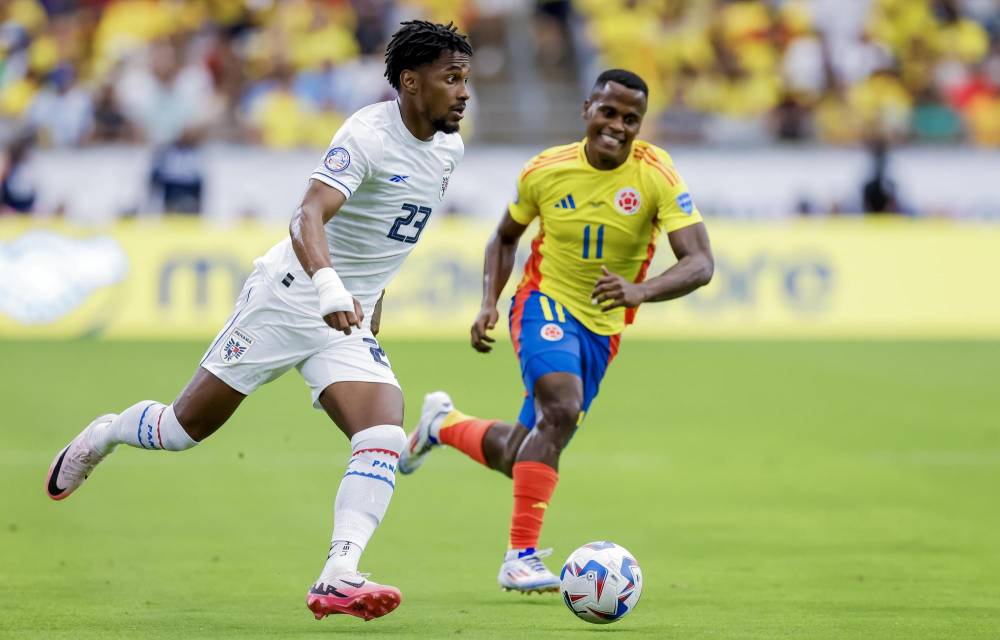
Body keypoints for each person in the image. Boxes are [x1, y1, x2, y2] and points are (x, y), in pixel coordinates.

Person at [45, 20, 472, 622]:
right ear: (410, 81)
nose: (463, 92)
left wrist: (369, 310)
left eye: (465, 79)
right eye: (451, 78)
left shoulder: (450, 148)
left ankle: (338, 573)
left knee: (382, 432)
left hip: (345, 320)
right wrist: (328, 287)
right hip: (289, 296)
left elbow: (382, 242)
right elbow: (306, 217)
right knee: (182, 429)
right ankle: (107, 433)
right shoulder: (367, 135)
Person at [398, 69, 714, 593]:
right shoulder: (545, 170)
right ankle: (519, 556)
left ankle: (443, 425)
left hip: (602, 329)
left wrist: (640, 291)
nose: (617, 126)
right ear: (587, 108)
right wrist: (488, 304)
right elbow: (504, 239)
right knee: (561, 409)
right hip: (544, 303)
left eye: (630, 119)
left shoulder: (657, 174)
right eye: (608, 112)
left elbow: (700, 262)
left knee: (520, 450)